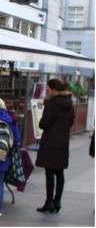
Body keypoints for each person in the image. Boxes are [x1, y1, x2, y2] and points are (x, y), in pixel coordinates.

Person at [35, 78, 74, 214]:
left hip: (50, 142)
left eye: (48, 89)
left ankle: (49, 202)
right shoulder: (69, 103)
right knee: (60, 172)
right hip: (63, 142)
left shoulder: (51, 104)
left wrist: (41, 122)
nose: (47, 91)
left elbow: (44, 123)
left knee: (50, 173)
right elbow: (70, 122)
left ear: (54, 89)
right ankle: (58, 202)